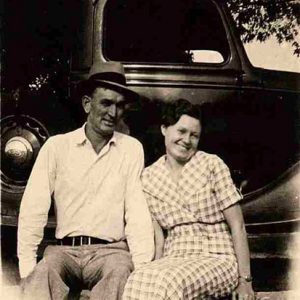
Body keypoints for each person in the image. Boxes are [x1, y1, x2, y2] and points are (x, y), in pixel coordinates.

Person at [17, 61, 155, 300]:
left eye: (120, 106)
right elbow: (33, 208)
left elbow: (137, 212)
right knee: (41, 273)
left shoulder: (131, 150)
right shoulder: (57, 147)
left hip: (111, 253)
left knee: (120, 273)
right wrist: (28, 270)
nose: (113, 113)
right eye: (106, 103)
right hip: (64, 252)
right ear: (87, 104)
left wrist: (141, 267)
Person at [123, 99, 255, 300]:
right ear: (164, 129)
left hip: (216, 257)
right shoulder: (149, 177)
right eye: (181, 131)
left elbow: (238, 225)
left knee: (170, 282)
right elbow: (159, 237)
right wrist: (153, 266)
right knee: (137, 279)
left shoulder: (211, 164)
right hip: (173, 257)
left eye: (194, 135)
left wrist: (245, 281)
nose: (187, 140)